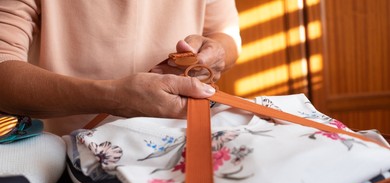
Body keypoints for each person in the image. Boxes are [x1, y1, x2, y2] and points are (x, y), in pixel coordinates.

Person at [0, 0, 241, 135]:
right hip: (67, 150)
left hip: (181, 137)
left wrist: (215, 52)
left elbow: (225, 36)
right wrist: (112, 98)